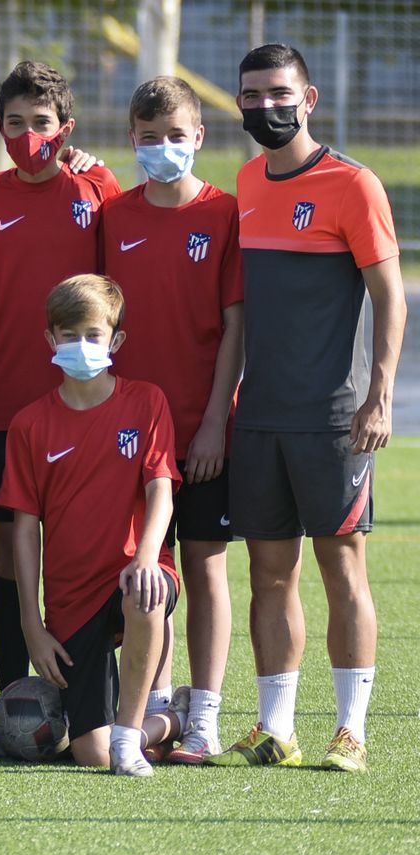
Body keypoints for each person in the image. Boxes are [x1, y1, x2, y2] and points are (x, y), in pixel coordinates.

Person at [209, 45, 404, 772]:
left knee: (341, 569)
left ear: (310, 97)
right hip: (259, 415)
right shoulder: (248, 180)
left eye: (279, 92)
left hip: (335, 418)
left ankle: (350, 731)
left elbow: (391, 300)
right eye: (251, 94)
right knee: (268, 575)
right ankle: (275, 727)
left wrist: (379, 394)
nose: (266, 106)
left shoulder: (353, 184)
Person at [0, 61, 122, 698]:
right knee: (7, 557)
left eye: (41, 123)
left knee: (86, 554)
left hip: (83, 403)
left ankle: (98, 692)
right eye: (15, 123)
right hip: (3, 404)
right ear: (0, 129)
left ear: (65, 128)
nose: (28, 134)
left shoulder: (96, 186)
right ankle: (14, 701)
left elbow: (107, 291)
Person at [99, 76, 244, 764]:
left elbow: (235, 324)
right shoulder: (115, 217)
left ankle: (205, 712)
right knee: (144, 568)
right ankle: (155, 701)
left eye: (175, 137)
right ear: (132, 140)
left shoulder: (224, 214)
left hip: (201, 430)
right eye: (149, 138)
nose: (162, 149)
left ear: (199, 138)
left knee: (205, 565)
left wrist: (216, 419)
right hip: (130, 437)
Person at [0, 276, 182, 777]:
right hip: (70, 599)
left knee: (143, 590)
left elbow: (160, 489)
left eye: (93, 334)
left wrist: (147, 556)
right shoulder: (30, 424)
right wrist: (32, 626)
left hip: (132, 571)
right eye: (68, 334)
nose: (81, 345)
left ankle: (128, 738)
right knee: (89, 753)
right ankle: (164, 722)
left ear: (115, 340)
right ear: (50, 340)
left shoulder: (146, 402)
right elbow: (23, 529)